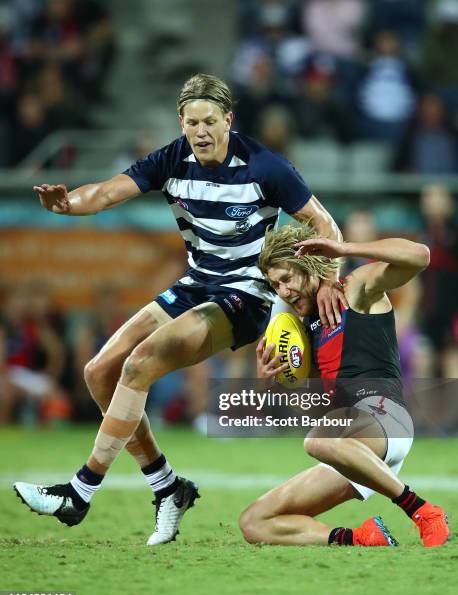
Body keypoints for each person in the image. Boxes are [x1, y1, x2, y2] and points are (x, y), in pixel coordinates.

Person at [14, 73, 345, 545]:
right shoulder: (172, 158)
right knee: (99, 372)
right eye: (192, 122)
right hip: (195, 283)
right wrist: (68, 204)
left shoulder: (265, 166)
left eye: (210, 121)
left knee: (139, 364)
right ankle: (167, 487)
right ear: (181, 122)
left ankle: (80, 491)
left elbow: (324, 222)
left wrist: (327, 281)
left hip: (245, 294)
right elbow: (108, 192)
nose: (201, 131)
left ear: (228, 119)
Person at [239, 223, 449, 547]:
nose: (282, 292)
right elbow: (305, 405)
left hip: (384, 418)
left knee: (317, 442)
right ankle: (364, 537)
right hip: (351, 445)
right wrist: (270, 380)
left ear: (309, 268)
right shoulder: (305, 329)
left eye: (286, 279)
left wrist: (346, 249)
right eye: (274, 285)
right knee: (254, 522)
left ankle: (421, 510)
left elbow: (419, 256)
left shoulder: (354, 289)